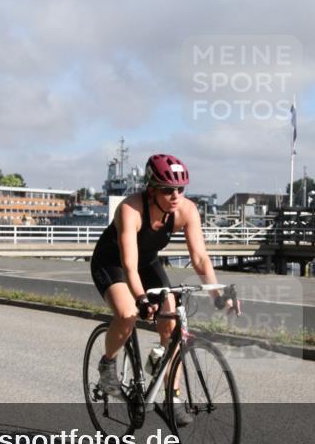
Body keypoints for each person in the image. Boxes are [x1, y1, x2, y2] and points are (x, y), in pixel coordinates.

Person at [90, 153, 239, 426]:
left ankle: (172, 395)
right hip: (112, 263)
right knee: (127, 314)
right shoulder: (130, 209)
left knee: (172, 326)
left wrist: (218, 297)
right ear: (151, 190)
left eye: (180, 189)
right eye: (168, 190)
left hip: (147, 262)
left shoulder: (186, 210)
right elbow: (129, 266)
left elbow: (200, 259)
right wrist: (141, 299)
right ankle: (107, 364)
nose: (176, 196)